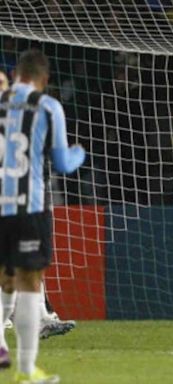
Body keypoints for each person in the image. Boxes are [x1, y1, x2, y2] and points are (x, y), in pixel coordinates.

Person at [0, 49, 85, 383]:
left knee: (5, 280)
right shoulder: (48, 106)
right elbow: (64, 163)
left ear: (15, 74)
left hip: (1, 204)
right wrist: (80, 152)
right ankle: (26, 369)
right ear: (44, 79)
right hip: (31, 206)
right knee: (30, 281)